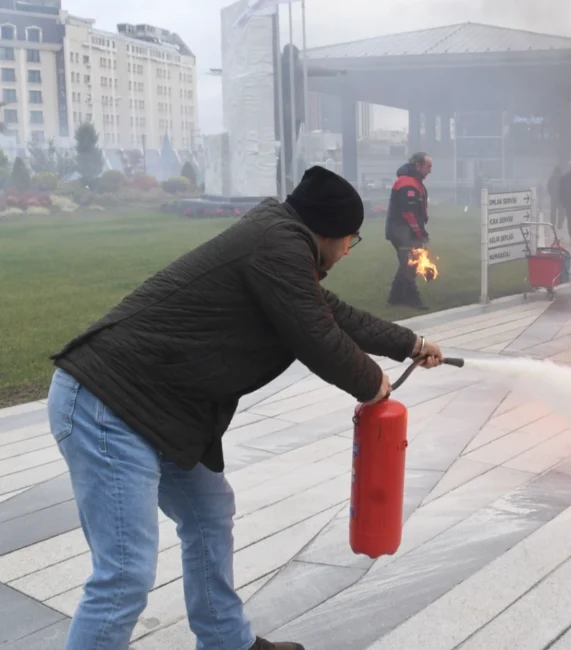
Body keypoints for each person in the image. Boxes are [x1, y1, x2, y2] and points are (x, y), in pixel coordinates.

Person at [46, 166, 445, 650]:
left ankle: (225, 642)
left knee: (209, 513)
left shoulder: (280, 243)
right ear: (327, 232)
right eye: (349, 241)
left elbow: (330, 313)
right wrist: (372, 383)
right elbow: (316, 337)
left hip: (156, 409)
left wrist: (409, 342)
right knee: (125, 572)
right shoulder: (277, 245)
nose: (346, 251)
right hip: (107, 403)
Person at [386, 152, 432, 309]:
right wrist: (419, 233)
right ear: (418, 166)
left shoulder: (413, 181)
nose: (430, 170)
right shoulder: (407, 183)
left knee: (406, 263)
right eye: (428, 166)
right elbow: (408, 213)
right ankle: (413, 299)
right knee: (411, 264)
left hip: (403, 229)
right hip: (401, 230)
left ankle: (395, 297)